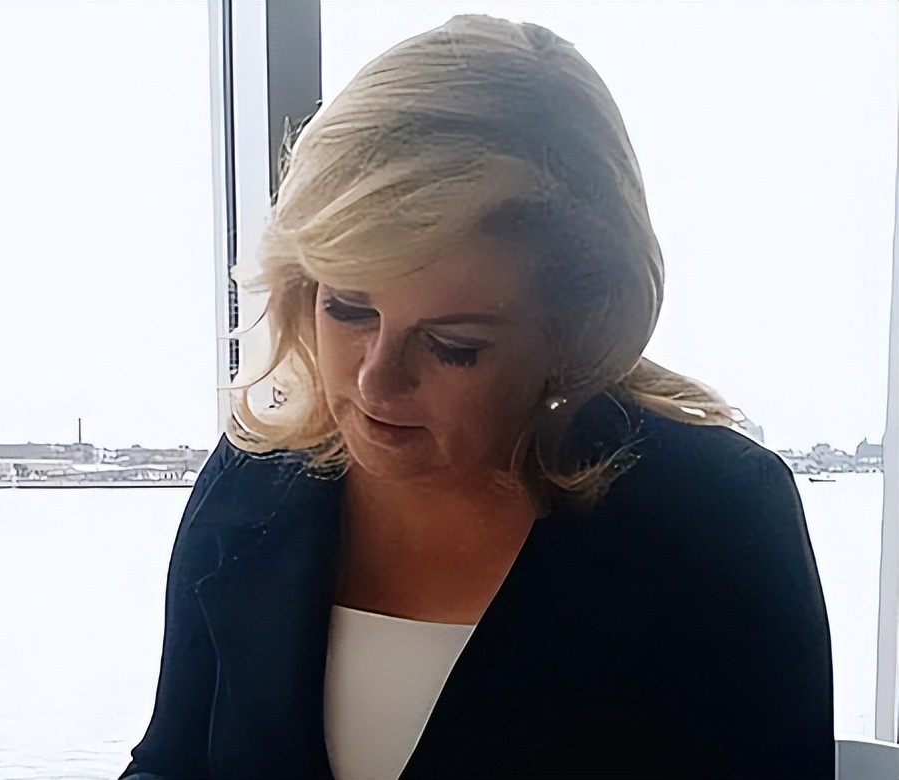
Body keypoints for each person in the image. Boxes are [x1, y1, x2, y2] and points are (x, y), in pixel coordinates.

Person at [121, 13, 833, 780]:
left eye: (454, 345)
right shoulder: (257, 469)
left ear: (577, 327)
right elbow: (171, 763)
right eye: (348, 309)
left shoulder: (715, 519)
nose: (374, 380)